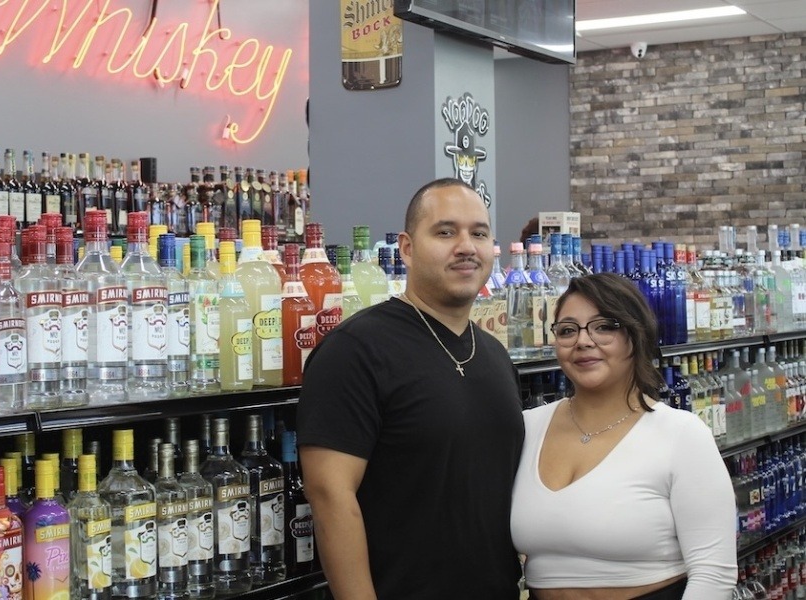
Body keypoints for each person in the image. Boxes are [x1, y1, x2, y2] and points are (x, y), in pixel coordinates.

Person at [297, 178, 525, 600]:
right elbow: (330, 498)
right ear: (406, 248)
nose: (465, 246)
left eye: (479, 232)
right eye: (445, 231)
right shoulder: (355, 351)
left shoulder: (494, 355)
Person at [511, 273, 737, 599]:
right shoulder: (527, 428)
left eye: (604, 327)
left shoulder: (681, 435)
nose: (583, 341)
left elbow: (714, 574)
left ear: (635, 335)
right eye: (567, 330)